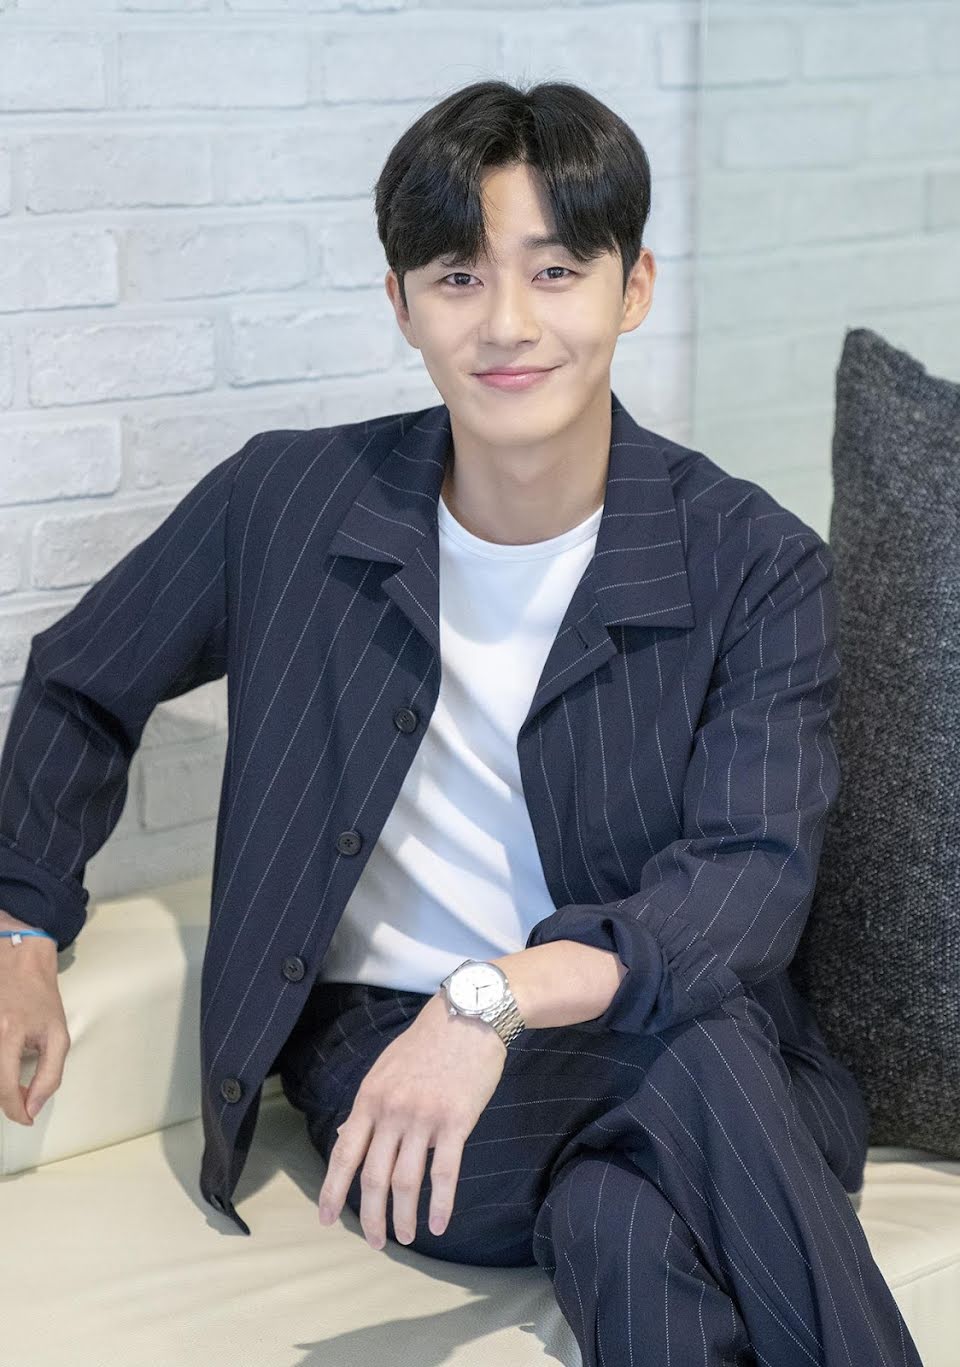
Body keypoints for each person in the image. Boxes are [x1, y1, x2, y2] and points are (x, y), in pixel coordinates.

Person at [0, 79, 924, 1366]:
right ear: (402, 304)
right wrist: (21, 923)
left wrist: (491, 998)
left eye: (556, 272)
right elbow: (80, 679)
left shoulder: (751, 561)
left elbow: (747, 883)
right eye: (457, 277)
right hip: (409, 1077)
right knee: (688, 1061)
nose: (507, 324)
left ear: (632, 289)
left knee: (619, 1222)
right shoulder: (288, 502)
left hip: (684, 1042)